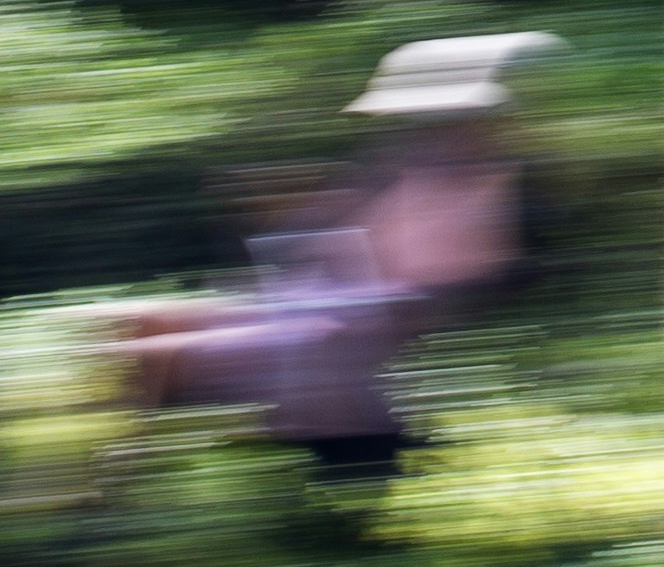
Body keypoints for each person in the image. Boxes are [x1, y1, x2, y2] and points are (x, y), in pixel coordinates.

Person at [104, 31, 557, 493]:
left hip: (365, 311)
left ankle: (125, 469)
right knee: (139, 325)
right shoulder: (406, 170)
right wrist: (304, 230)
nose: (432, 129)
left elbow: (463, 271)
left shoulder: (486, 185)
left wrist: (376, 276)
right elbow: (341, 230)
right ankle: (124, 460)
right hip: (328, 292)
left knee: (156, 352)